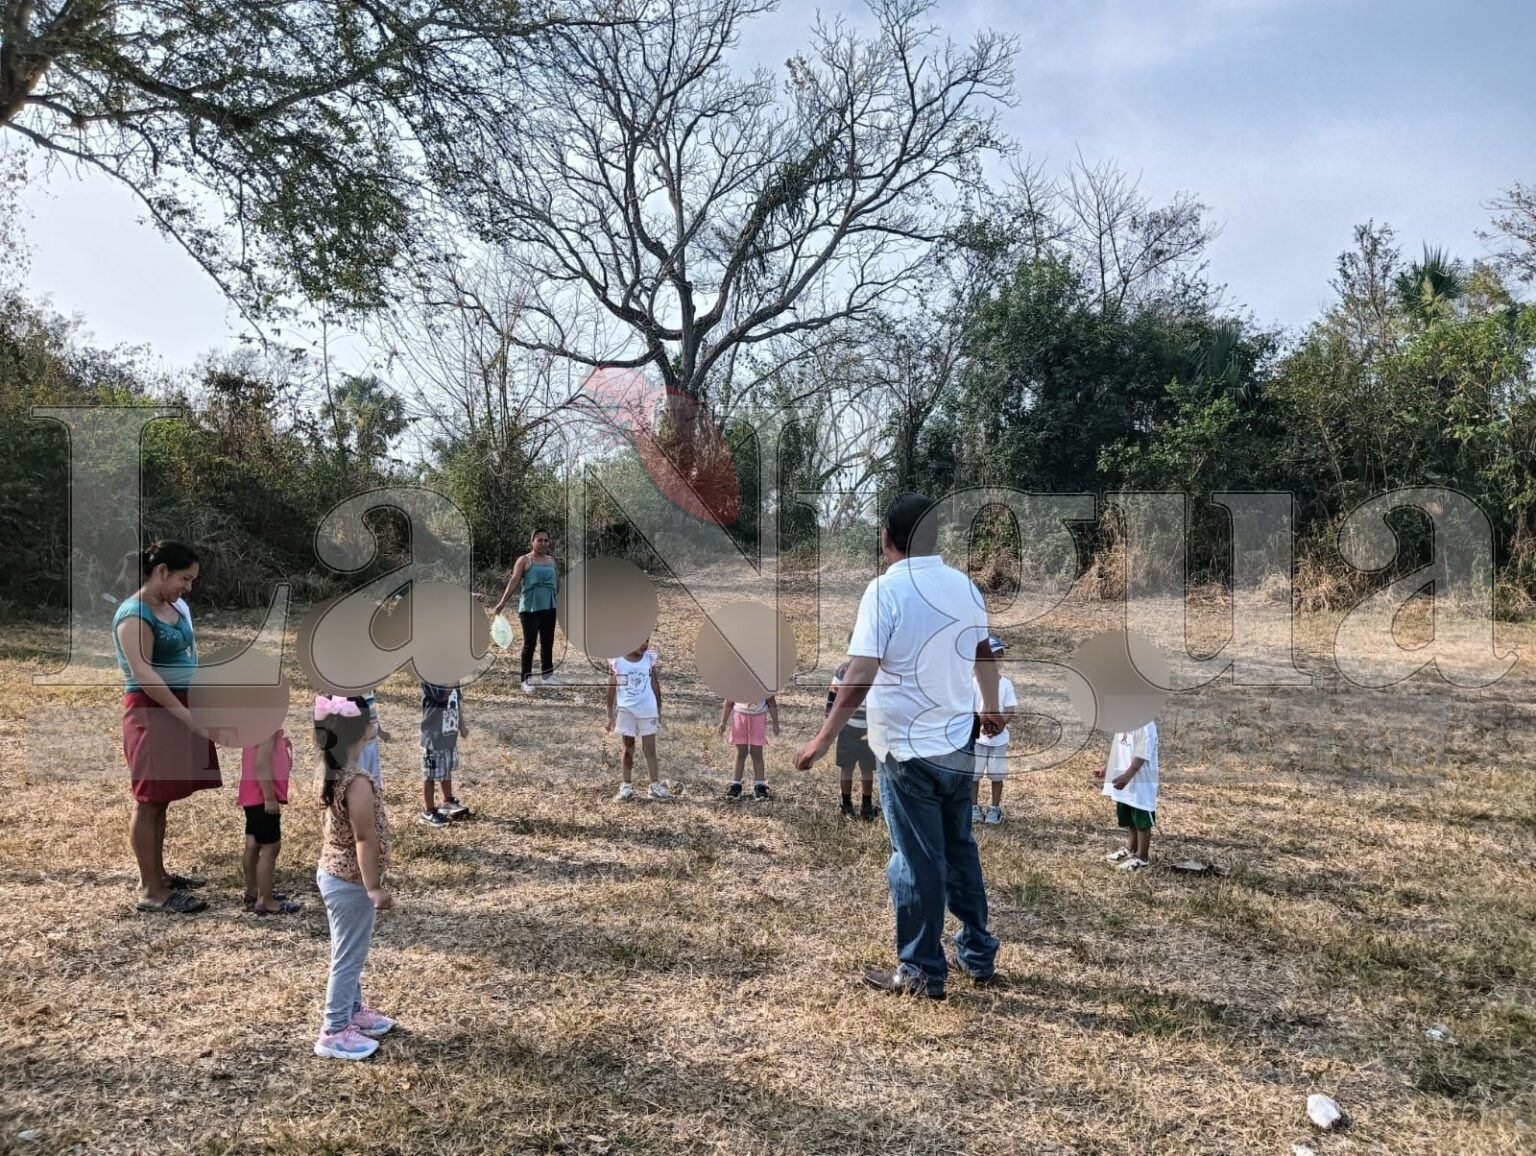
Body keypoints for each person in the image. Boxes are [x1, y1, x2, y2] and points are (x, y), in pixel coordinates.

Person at [794, 493, 1003, 1000]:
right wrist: (990, 706)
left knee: (914, 862)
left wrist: (823, 738)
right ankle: (977, 953)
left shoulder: (884, 591)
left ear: (888, 538)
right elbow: (983, 653)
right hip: (960, 745)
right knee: (960, 851)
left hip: (907, 754)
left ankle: (921, 970)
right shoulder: (966, 588)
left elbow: (861, 671)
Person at [112, 540, 221, 915]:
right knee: (148, 800)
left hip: (176, 709)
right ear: (162, 572)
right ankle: (150, 891)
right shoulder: (134, 615)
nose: (187, 588)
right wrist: (187, 716)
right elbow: (145, 675)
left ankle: (158, 875)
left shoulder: (170, 606)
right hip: (153, 713)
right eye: (184, 579)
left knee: (163, 798)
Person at [313, 695, 396, 1061]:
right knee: (348, 957)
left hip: (336, 875)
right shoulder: (357, 782)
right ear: (362, 731)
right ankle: (333, 1031)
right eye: (372, 718)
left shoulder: (332, 768)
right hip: (350, 881)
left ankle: (352, 1010)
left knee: (349, 950)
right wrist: (373, 886)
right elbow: (364, 837)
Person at [489, 528, 562, 694]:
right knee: (530, 644)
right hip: (530, 608)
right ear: (532, 542)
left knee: (547, 642)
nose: (543, 543)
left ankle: (547, 675)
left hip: (549, 607)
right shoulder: (524, 560)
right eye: (539, 540)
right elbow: (514, 581)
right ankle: (526, 679)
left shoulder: (551, 561)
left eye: (545, 540)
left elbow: (558, 583)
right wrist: (502, 602)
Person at [240, 728, 302, 915]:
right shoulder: (267, 731)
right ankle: (266, 900)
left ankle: (253, 889)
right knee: (271, 846)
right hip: (262, 798)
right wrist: (269, 797)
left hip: (250, 796)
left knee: (253, 843)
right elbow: (261, 765)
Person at [606, 639, 671, 801]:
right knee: (628, 748)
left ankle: (654, 785)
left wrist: (658, 709)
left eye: (647, 641)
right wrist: (609, 715)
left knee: (650, 749)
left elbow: (655, 684)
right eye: (640, 641)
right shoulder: (617, 660)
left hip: (647, 710)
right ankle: (626, 786)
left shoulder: (648, 658)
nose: (645, 644)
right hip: (626, 711)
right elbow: (611, 688)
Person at [1097, 720, 1160, 871]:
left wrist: (1127, 776)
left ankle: (1142, 857)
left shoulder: (1146, 726)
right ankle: (1131, 849)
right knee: (1129, 816)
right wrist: (1107, 766)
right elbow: (1119, 746)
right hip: (1124, 780)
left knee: (1142, 820)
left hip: (1141, 784)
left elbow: (1141, 755)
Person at [971, 636, 1018, 826]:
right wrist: (982, 724)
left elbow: (1010, 710)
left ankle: (994, 808)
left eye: (1001, 655)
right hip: (978, 738)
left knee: (996, 775)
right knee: (973, 775)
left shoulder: (1006, 684)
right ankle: (973, 806)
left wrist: (999, 726)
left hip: (998, 740)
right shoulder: (973, 683)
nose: (999, 658)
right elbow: (970, 708)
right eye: (994, 655)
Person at [828, 652, 878, 821]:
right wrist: (830, 723)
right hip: (847, 727)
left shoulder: (877, 670)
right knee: (846, 767)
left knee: (867, 768)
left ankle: (867, 805)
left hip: (869, 729)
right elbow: (833, 696)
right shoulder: (843, 671)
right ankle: (846, 804)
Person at [419, 680, 470, 828]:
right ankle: (428, 811)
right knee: (430, 775)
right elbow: (441, 696)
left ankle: (447, 801)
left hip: (448, 733)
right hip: (433, 737)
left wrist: (462, 726)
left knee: (446, 769)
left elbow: (456, 701)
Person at [718, 694, 780, 800]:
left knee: (757, 753)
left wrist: (775, 723)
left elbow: (771, 703)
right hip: (740, 717)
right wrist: (723, 722)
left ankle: (760, 786)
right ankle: (735, 785)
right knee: (740, 752)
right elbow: (729, 701)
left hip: (758, 718)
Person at [357, 690, 390, 793]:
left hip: (372, 740)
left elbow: (372, 713)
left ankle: (375, 795)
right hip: (360, 742)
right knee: (361, 772)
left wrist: (380, 731)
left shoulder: (369, 690)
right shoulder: (353, 690)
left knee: (373, 773)